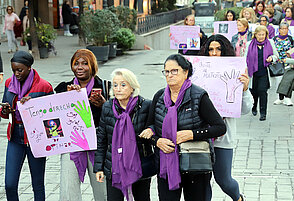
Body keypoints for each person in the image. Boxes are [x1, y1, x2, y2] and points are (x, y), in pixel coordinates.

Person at [141, 54, 226, 201]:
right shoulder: (159, 96)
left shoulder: (198, 96)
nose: (169, 75)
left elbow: (220, 127)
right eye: (166, 71)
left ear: (185, 72)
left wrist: (192, 134)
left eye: (174, 71)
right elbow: (150, 127)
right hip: (166, 164)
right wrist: (157, 141)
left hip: (194, 163)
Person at [199, 34, 251, 201]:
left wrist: (244, 89)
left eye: (218, 49)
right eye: (211, 49)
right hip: (200, 134)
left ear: (225, 51)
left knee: (224, 180)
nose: (214, 53)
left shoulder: (234, 72)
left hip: (223, 137)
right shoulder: (198, 72)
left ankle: (238, 198)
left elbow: (245, 109)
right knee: (201, 181)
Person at [55, 49, 107, 201]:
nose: (80, 67)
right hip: (71, 144)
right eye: (76, 63)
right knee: (67, 190)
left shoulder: (105, 87)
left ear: (92, 66)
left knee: (102, 192)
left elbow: (116, 117)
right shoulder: (63, 88)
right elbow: (51, 115)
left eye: (85, 63)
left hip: (98, 146)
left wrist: (104, 105)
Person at [0, 51, 53, 201]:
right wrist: (5, 110)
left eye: (20, 70)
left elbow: (53, 118)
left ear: (29, 68)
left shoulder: (44, 86)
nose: (16, 74)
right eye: (13, 70)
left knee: (37, 184)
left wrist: (34, 106)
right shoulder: (9, 83)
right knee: (9, 184)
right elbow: (4, 113)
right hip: (15, 137)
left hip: (36, 139)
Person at [94, 68, 154, 201]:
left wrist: (151, 129)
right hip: (114, 165)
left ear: (132, 87)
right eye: (115, 85)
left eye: (123, 84)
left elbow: (155, 126)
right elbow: (102, 139)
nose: (118, 89)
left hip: (138, 165)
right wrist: (99, 168)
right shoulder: (108, 107)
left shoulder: (146, 105)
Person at [244, 25, 279, 121]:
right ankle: (254, 107)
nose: (261, 37)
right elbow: (245, 58)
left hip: (264, 72)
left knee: (262, 91)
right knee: (254, 92)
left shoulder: (270, 43)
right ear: (255, 35)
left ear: (266, 35)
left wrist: (272, 58)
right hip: (253, 73)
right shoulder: (249, 44)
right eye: (259, 35)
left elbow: (276, 56)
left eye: (263, 35)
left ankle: (263, 113)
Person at [273, 22, 294, 106]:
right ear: (279, 30)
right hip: (278, 62)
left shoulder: (290, 39)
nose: (284, 30)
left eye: (286, 29)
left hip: (288, 62)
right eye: (282, 29)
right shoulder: (274, 39)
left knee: (288, 80)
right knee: (279, 80)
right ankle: (280, 98)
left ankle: (287, 98)